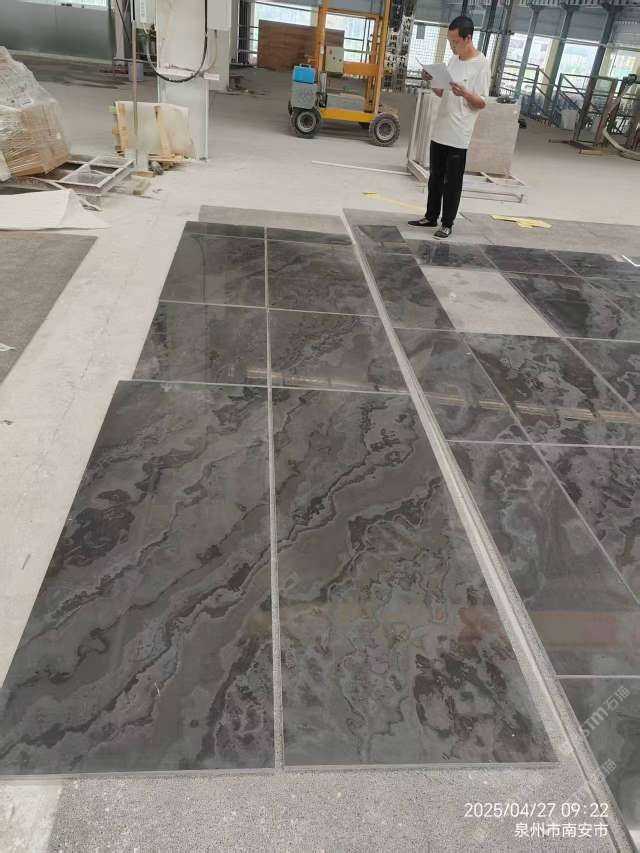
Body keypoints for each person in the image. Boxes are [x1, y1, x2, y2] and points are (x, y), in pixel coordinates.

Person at [408, 16, 490, 239]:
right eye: (450, 42)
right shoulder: (454, 60)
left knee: (452, 181)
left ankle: (447, 223)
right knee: (435, 176)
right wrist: (431, 79)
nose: (452, 46)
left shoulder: (481, 64)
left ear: (468, 38)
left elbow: (482, 102)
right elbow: (442, 92)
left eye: (455, 42)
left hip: (459, 133)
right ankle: (430, 216)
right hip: (441, 128)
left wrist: (465, 93)